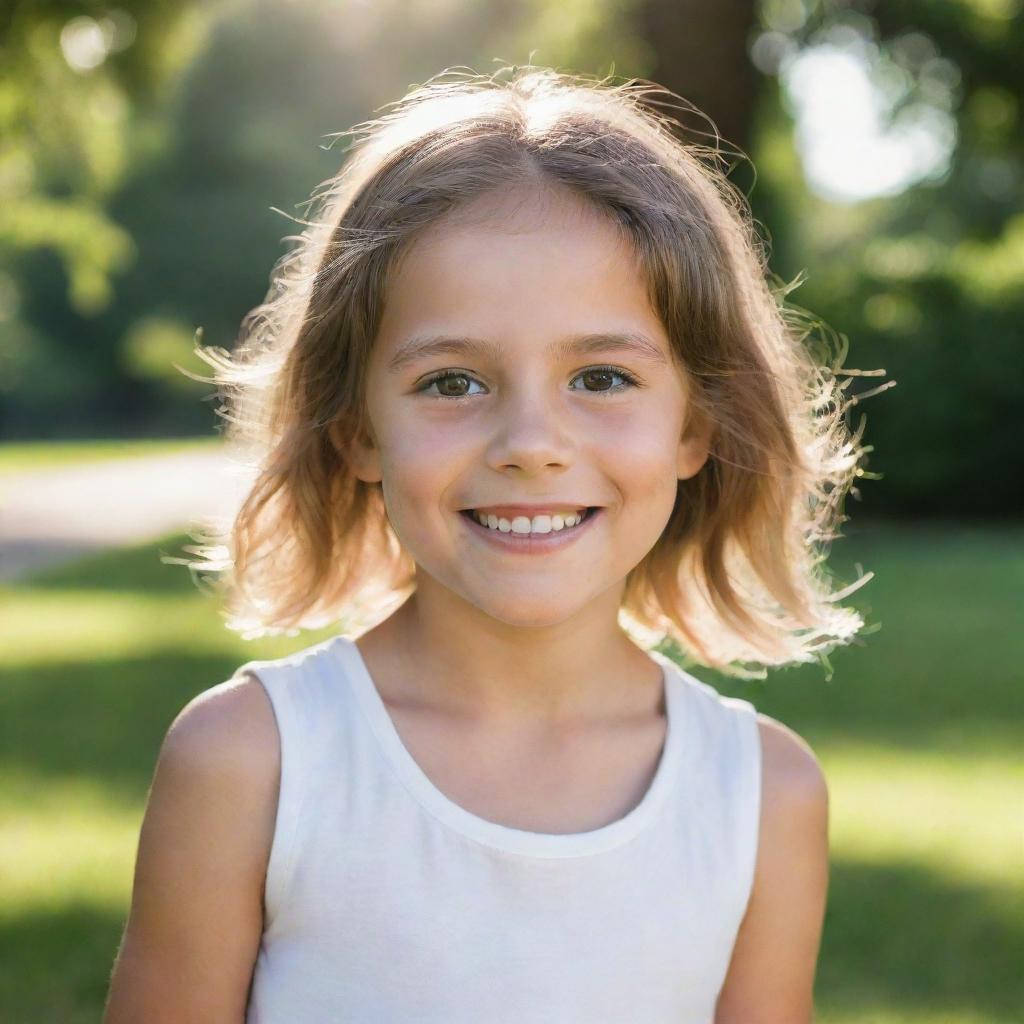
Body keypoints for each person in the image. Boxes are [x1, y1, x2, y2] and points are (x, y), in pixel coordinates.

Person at [104, 65, 883, 1023]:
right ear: (356, 429)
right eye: (451, 383)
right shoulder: (249, 762)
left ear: (696, 428)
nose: (529, 448)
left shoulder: (763, 796)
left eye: (600, 378)